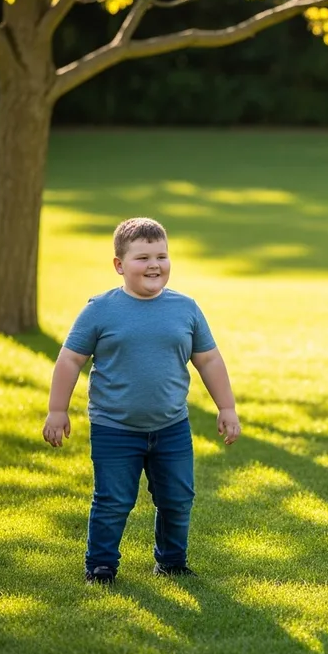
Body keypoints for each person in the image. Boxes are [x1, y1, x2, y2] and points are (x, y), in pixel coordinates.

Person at [42, 217, 241, 585]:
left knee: (178, 498)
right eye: (143, 257)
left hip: (171, 426)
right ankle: (100, 565)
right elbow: (70, 359)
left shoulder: (185, 308)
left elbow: (209, 359)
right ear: (119, 265)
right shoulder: (101, 310)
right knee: (114, 500)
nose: (154, 265)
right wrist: (57, 410)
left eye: (162, 256)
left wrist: (226, 407)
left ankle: (171, 560)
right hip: (114, 427)